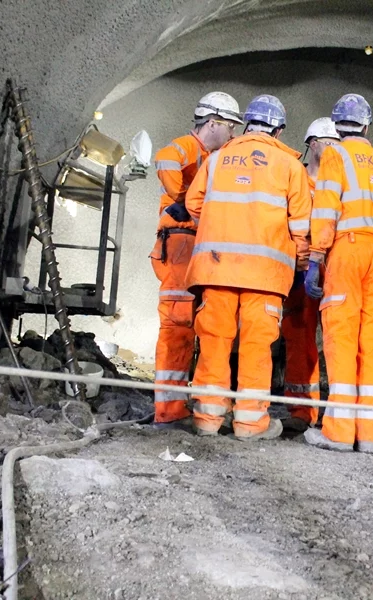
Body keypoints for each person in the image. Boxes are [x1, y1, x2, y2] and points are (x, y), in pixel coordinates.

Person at [184, 94, 311, 440]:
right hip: (266, 277)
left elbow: (193, 204)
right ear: (279, 130)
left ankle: (208, 419)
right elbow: (301, 228)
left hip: (216, 269)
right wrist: (299, 264)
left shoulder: (218, 158)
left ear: (247, 124)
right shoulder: (289, 167)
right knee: (257, 346)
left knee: (213, 340)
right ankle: (250, 424)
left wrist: (218, 225)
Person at [303, 94, 373, 453]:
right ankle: (369, 437)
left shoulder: (335, 156)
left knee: (341, 339)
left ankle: (339, 432)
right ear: (366, 125)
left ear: (336, 126)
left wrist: (316, 258)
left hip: (345, 253)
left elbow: (325, 210)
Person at [150, 91, 242, 427]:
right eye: (230, 126)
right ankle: (170, 410)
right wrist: (182, 200)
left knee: (194, 324)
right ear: (213, 122)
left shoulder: (211, 156)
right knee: (178, 324)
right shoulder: (189, 148)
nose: (233, 133)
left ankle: (178, 405)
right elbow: (164, 158)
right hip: (181, 244)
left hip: (193, 243)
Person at [280, 118, 340, 433]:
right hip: (301, 271)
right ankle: (302, 410)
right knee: (299, 338)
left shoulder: (344, 182)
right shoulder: (297, 178)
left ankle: (339, 415)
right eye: (328, 142)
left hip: (336, 272)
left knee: (337, 342)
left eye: (337, 144)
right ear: (312, 143)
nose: (333, 149)